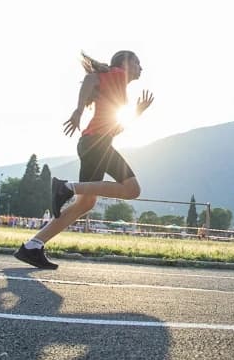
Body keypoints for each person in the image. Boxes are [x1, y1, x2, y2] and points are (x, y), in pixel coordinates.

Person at [14, 51, 153, 269]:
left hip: (93, 143)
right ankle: (66, 187)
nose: (141, 68)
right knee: (132, 189)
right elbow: (91, 79)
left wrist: (136, 112)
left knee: (86, 203)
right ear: (125, 64)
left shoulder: (117, 86)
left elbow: (113, 128)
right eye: (137, 63)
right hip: (96, 144)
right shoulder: (118, 74)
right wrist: (78, 110)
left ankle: (33, 246)